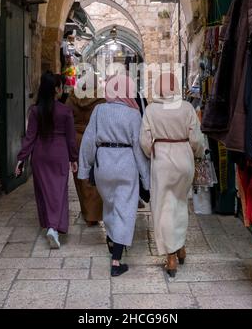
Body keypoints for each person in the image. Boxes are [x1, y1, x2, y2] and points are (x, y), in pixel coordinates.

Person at [78, 74, 150, 277]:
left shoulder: (99, 110)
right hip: (126, 164)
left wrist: (84, 168)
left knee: (110, 203)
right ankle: (117, 260)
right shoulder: (133, 114)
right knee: (125, 208)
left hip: (104, 163)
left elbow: (89, 140)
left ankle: (112, 238)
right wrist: (146, 177)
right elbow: (138, 148)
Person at [140, 72, 205, 277]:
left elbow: (144, 140)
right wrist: (196, 153)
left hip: (163, 162)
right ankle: (181, 246)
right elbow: (196, 138)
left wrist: (153, 153)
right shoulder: (186, 108)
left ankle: (170, 255)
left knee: (163, 208)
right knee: (180, 204)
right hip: (184, 159)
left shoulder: (151, 110)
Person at [15, 72, 78, 249]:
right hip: (59, 154)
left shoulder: (35, 111)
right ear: (57, 89)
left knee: (44, 192)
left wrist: (21, 159)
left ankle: (50, 225)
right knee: (58, 191)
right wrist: (74, 158)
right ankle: (53, 227)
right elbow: (71, 139)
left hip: (40, 155)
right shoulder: (65, 111)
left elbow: (29, 137)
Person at [66, 72, 105, 226]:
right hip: (94, 140)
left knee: (79, 177)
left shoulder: (71, 99)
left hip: (76, 139)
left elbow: (66, 118)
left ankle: (86, 210)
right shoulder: (101, 100)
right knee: (95, 176)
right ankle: (93, 214)